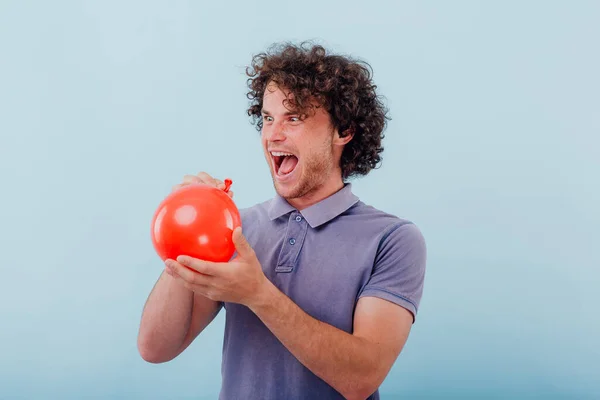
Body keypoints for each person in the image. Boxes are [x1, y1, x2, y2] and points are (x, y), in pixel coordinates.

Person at [137, 41, 427, 400]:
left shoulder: (393, 239)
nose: (273, 135)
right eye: (268, 118)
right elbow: (155, 348)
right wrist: (188, 231)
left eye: (294, 118)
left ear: (344, 131)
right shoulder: (236, 230)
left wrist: (259, 295)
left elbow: (361, 379)